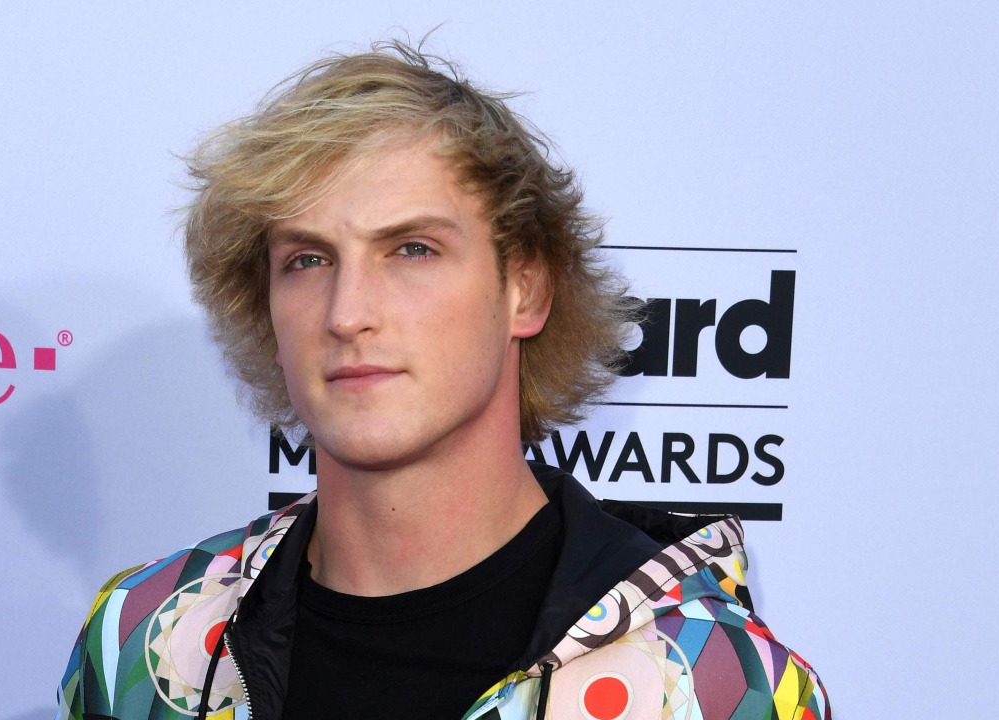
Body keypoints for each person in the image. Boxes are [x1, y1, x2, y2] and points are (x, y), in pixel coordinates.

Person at [55, 41, 830, 720]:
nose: (347, 312)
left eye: (412, 249)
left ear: (524, 287)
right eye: (307, 260)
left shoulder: (715, 687)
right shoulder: (145, 645)